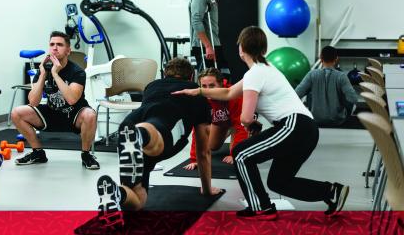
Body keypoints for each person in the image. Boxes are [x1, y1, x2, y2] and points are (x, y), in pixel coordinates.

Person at [173, 26, 350, 220]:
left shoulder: (255, 74)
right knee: (278, 182)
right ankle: (330, 191)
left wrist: (250, 125)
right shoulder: (264, 69)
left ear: (241, 49)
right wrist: (197, 91)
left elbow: (246, 118)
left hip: (294, 126)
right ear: (264, 50)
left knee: (240, 154)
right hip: (304, 129)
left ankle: (261, 207)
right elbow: (229, 92)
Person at [96, 58, 222, 229]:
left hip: (131, 123)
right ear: (191, 76)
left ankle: (118, 194)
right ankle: (140, 135)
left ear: (164, 74)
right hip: (154, 130)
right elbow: (203, 151)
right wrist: (207, 190)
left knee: (138, 201)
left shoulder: (152, 85)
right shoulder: (196, 93)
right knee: (157, 128)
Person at [10, 31, 99, 169]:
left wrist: (55, 74)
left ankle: (86, 155)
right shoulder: (44, 70)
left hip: (74, 114)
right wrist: (43, 75)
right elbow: (33, 102)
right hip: (51, 113)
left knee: (90, 115)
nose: (55, 48)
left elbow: (72, 99)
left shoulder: (77, 72)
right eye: (52, 44)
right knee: (17, 113)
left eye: (59, 45)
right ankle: (38, 153)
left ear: (68, 50)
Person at [183, 68, 248, 170]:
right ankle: (228, 130)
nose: (208, 90)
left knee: (240, 132)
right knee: (212, 146)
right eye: (204, 86)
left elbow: (241, 125)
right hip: (221, 121)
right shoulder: (200, 99)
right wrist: (195, 159)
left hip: (240, 122)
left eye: (212, 86)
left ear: (221, 84)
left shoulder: (235, 96)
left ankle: (239, 134)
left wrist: (234, 154)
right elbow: (198, 130)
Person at [295, 46, 358, 127]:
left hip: (315, 119)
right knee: (352, 104)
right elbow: (353, 99)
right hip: (337, 120)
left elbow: (296, 94)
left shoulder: (311, 74)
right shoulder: (341, 76)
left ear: (321, 58)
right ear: (336, 59)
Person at [189, 0, 229, 73]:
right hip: (205, 46)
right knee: (209, 80)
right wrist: (207, 46)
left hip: (213, 43)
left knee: (220, 76)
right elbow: (196, 20)